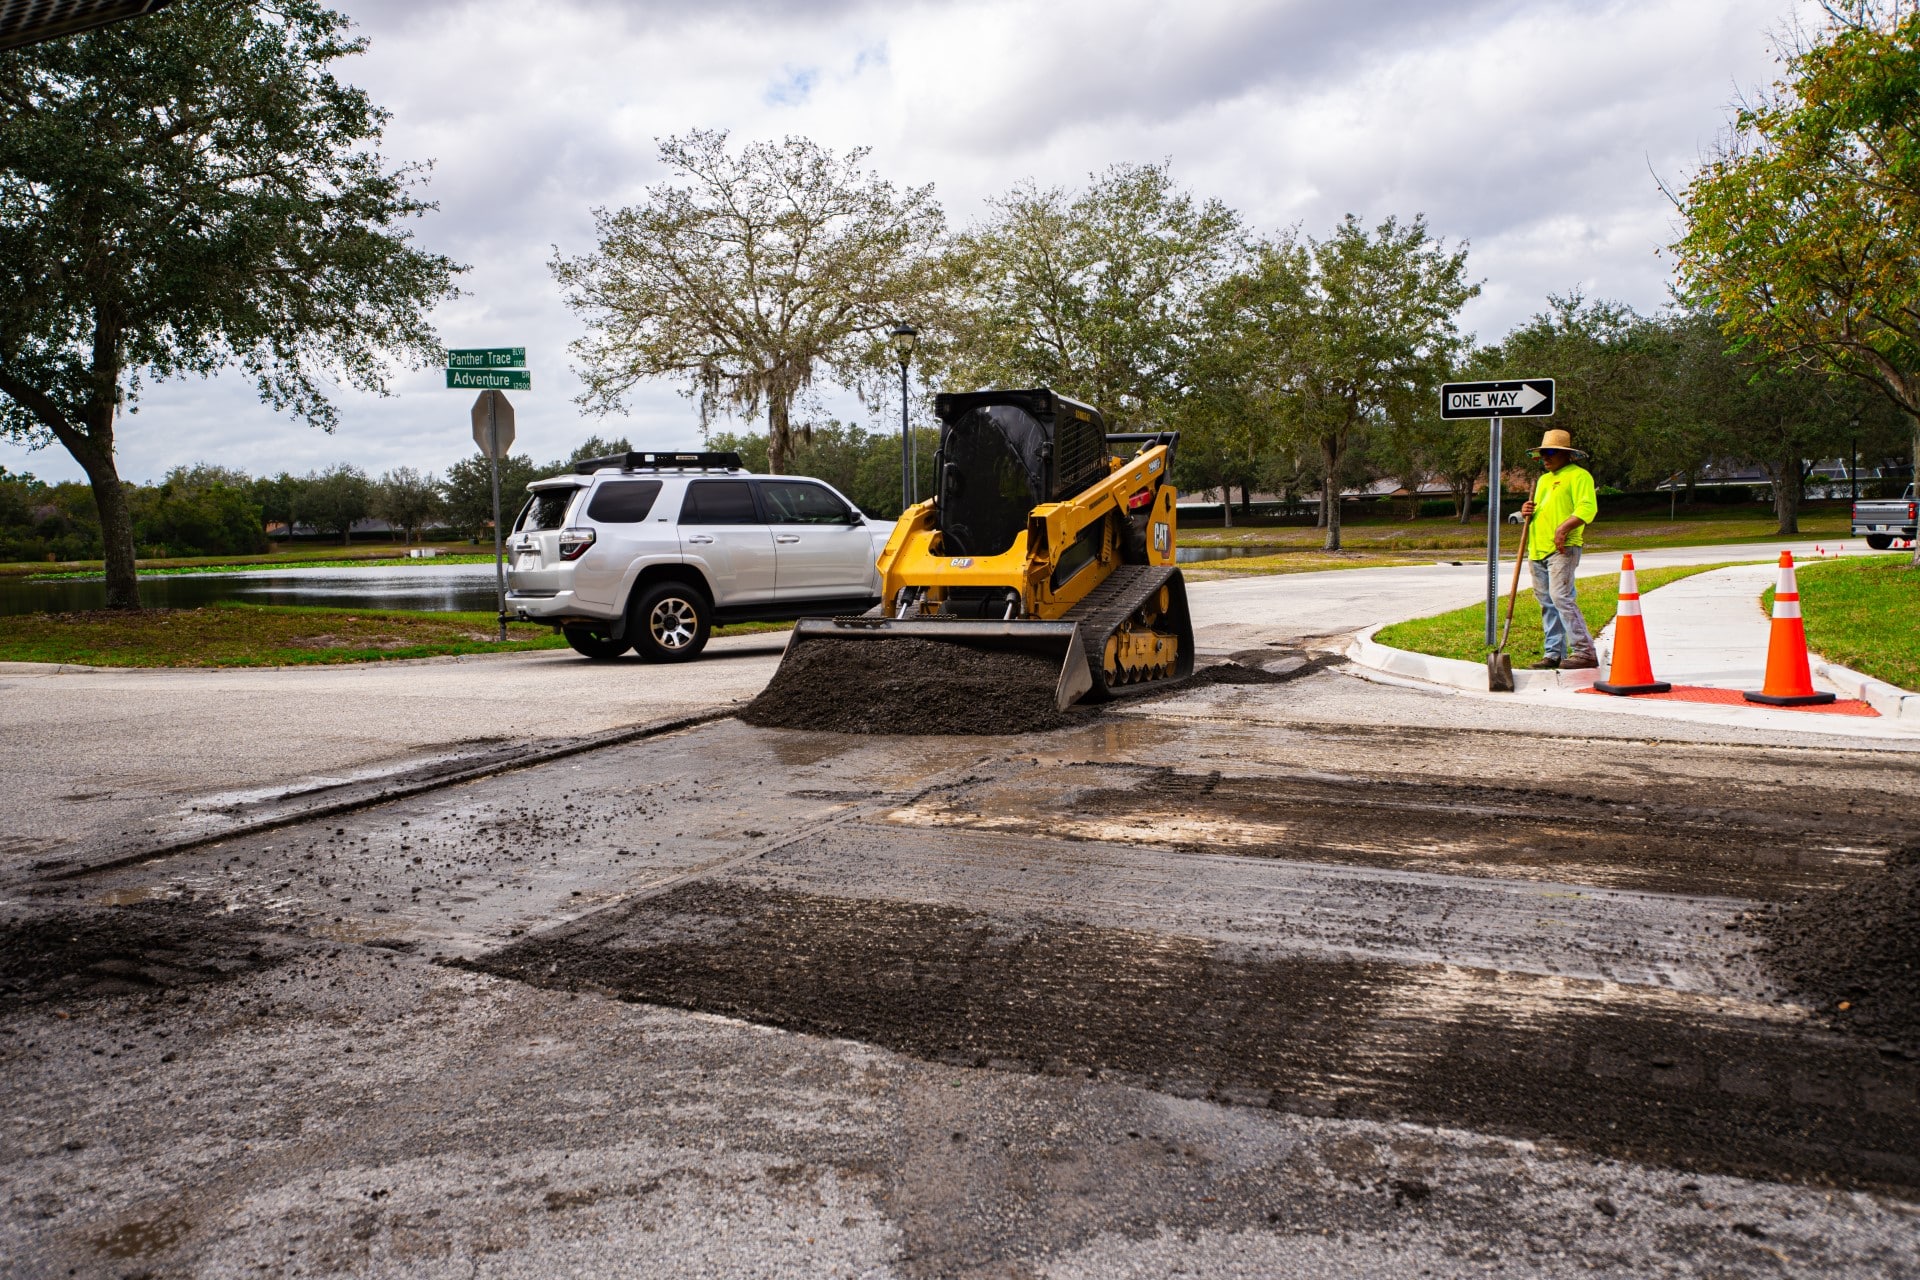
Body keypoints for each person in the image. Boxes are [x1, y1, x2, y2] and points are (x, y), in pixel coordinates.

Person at [1518, 429, 1599, 670]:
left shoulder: (1579, 476)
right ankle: (1554, 652)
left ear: (1567, 455)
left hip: (1563, 549)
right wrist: (1526, 511)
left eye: (1551, 452)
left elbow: (1587, 509)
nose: (1546, 457)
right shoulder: (1543, 480)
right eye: (1543, 453)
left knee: (1561, 597)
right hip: (1537, 549)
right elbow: (1542, 510)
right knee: (1547, 602)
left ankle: (1584, 651)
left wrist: (1563, 528)